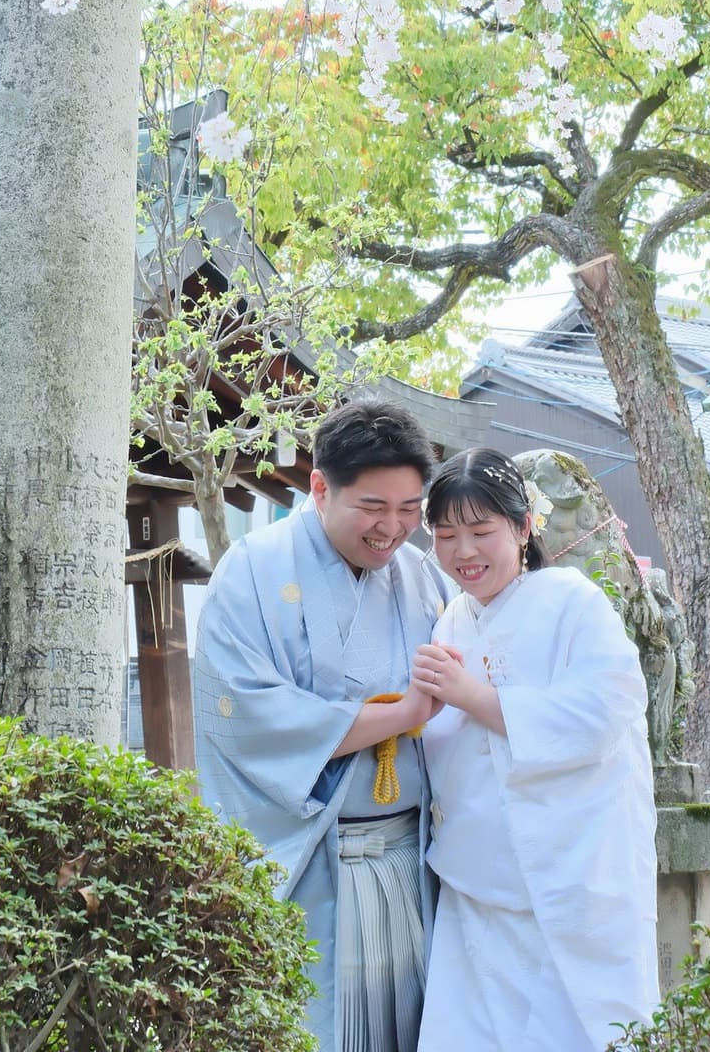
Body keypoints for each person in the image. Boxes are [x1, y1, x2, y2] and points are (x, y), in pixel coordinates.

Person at [192, 399, 451, 1052]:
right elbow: (250, 717)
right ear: (319, 485)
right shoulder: (250, 573)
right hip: (309, 865)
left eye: (409, 508)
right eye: (372, 507)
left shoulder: (424, 577)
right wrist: (405, 714)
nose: (392, 529)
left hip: (412, 860)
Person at [411, 446, 659, 1052]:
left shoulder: (571, 601)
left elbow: (606, 711)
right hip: (476, 893)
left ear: (524, 527)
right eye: (444, 534)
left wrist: (476, 697)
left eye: (480, 531)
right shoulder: (450, 622)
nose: (462, 551)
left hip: (566, 887)